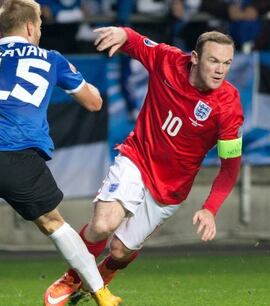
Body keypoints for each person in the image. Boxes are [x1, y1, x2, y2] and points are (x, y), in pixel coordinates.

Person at [45, 25, 244, 303]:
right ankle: (73, 277)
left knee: (119, 251)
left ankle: (102, 275)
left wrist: (210, 209)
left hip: (170, 188)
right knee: (103, 224)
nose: (220, 70)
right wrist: (121, 33)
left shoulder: (229, 105)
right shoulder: (169, 60)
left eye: (227, 63)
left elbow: (230, 167)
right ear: (195, 57)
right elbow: (136, 41)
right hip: (137, 158)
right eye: (213, 60)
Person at [0, 1, 122, 305]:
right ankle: (101, 292)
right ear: (31, 27)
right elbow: (94, 102)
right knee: (54, 224)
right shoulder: (51, 59)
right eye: (40, 28)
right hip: (22, 159)